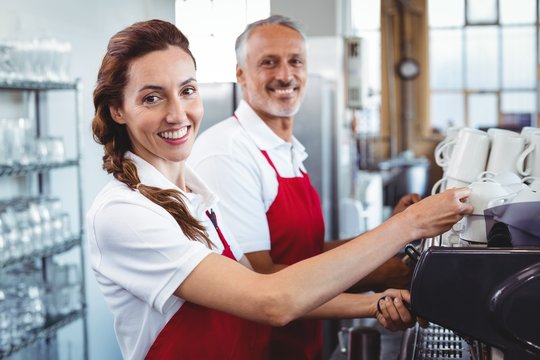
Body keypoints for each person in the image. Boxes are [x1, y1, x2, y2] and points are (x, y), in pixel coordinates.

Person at [87, 18, 472, 360]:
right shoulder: (125, 213)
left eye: (187, 91)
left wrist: (372, 305)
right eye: (152, 98)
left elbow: (262, 286)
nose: (177, 114)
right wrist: (410, 226)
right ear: (117, 110)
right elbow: (272, 301)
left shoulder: (196, 195)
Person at [189, 14, 420, 358]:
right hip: (252, 348)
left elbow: (305, 253)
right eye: (269, 62)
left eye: (295, 61)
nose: (285, 75)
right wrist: (376, 289)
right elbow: (264, 281)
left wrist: (390, 234)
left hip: (298, 344)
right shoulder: (228, 153)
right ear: (240, 74)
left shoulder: (286, 150)